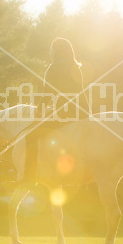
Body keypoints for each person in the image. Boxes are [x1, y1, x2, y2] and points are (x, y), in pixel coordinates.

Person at [22, 38, 90, 184]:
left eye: (51, 49)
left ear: (56, 51)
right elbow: (82, 92)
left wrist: (38, 112)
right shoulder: (75, 68)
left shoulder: (53, 68)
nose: (49, 52)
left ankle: (28, 178)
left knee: (30, 137)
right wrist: (88, 114)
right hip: (81, 112)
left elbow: (47, 93)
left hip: (64, 114)